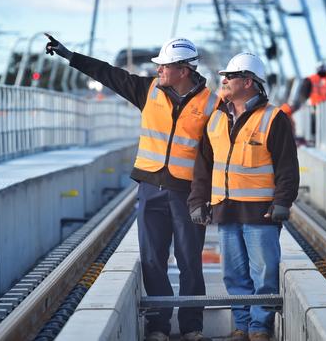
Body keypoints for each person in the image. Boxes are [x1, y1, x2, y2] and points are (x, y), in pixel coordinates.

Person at [46, 35, 219, 341]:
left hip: (187, 193)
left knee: (190, 259)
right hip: (151, 189)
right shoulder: (147, 90)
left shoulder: (211, 105)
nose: (159, 71)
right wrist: (70, 56)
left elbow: (216, 155)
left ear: (183, 69)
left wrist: (210, 198)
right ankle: (159, 326)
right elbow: (108, 75)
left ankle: (192, 326)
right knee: (152, 259)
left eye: (164, 66)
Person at [188, 52, 299, 341]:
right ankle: (242, 325)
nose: (223, 80)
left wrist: (282, 202)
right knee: (234, 276)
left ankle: (259, 328)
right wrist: (198, 202)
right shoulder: (215, 120)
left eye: (230, 76)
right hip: (225, 210)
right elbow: (203, 166)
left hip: (260, 212)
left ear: (248, 82)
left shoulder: (273, 118)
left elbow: (287, 166)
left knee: (264, 275)